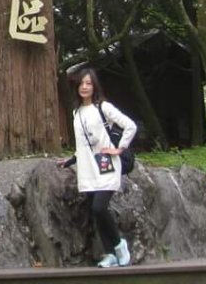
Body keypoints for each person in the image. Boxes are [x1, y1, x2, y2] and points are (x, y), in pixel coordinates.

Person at [57, 66, 137, 268]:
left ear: (94, 86)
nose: (84, 87)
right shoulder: (76, 112)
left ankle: (119, 245)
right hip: (88, 169)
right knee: (96, 213)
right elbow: (83, 144)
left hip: (106, 166)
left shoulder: (103, 107)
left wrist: (119, 149)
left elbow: (130, 125)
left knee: (99, 208)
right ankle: (110, 254)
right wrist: (71, 160)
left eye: (88, 83)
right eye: (81, 83)